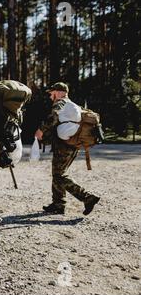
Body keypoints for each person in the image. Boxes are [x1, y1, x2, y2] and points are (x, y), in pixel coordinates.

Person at [35, 82, 100, 215]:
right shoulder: (73, 105)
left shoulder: (61, 103)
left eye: (52, 93)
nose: (50, 96)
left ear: (59, 92)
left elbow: (52, 118)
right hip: (73, 144)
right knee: (59, 172)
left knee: (59, 175)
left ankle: (87, 197)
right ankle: (58, 204)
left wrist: (41, 130)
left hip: (64, 145)